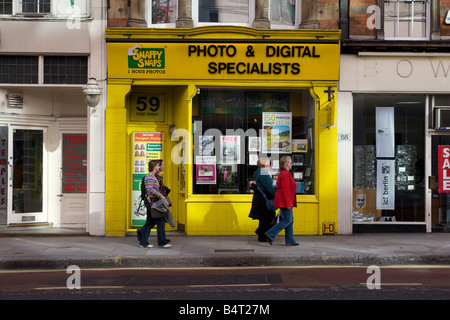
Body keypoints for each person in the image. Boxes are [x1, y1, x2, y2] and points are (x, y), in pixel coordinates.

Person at [265, 155, 299, 246]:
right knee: (287, 220)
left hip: (285, 201)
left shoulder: (285, 173)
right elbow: (285, 190)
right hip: (285, 202)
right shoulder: (284, 174)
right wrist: (288, 203)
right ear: (286, 164)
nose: (292, 163)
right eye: (290, 161)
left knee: (290, 220)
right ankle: (270, 234)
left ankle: (290, 241)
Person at [138, 160, 172, 248]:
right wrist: (162, 197)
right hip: (151, 201)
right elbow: (150, 189)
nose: (159, 166)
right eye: (158, 165)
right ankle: (160, 242)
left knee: (150, 222)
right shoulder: (150, 177)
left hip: (153, 201)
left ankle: (143, 241)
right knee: (159, 220)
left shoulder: (153, 176)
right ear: (154, 167)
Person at [249, 157, 276, 242]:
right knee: (268, 216)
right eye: (269, 163)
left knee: (264, 217)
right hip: (264, 198)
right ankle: (262, 234)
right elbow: (269, 187)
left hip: (260, 197)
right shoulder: (263, 173)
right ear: (265, 164)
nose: (270, 165)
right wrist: (276, 195)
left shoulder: (258, 172)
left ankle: (261, 233)